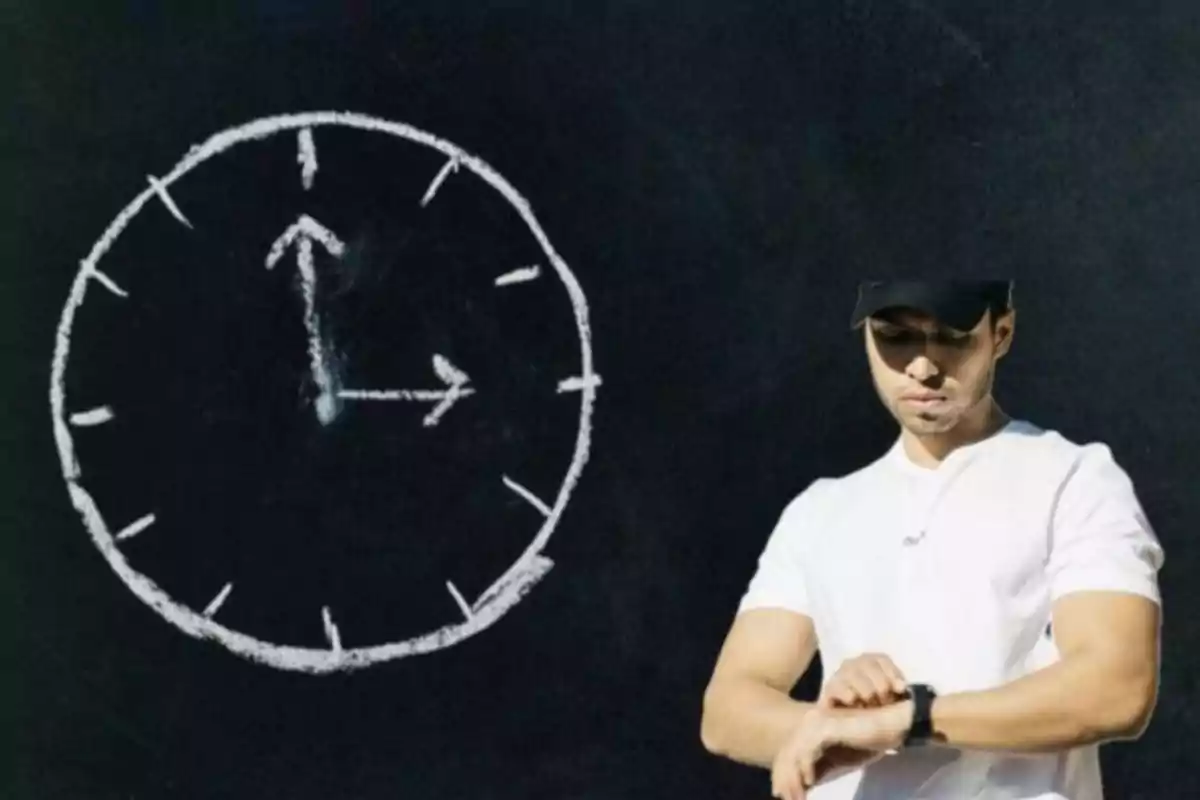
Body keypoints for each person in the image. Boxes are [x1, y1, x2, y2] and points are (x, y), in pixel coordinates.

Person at [699, 280, 1164, 800]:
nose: (922, 366)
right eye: (896, 337)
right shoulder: (820, 508)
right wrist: (824, 725)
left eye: (952, 336)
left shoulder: (1075, 478)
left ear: (1002, 333)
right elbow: (727, 710)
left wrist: (907, 720)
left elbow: (1115, 688)